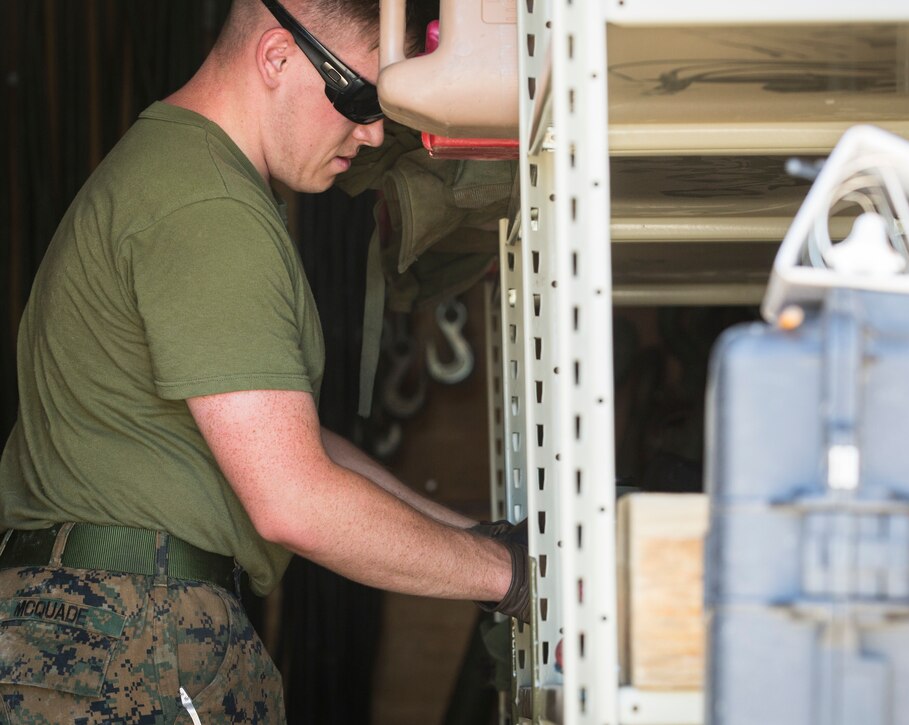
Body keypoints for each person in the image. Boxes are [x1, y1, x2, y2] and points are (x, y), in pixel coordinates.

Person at [0, 0, 527, 721]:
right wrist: (506, 575)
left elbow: (293, 446)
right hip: (128, 638)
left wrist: (475, 542)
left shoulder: (185, 173)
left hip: (107, 628)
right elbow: (293, 500)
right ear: (278, 57)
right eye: (360, 96)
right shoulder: (207, 207)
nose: (373, 131)